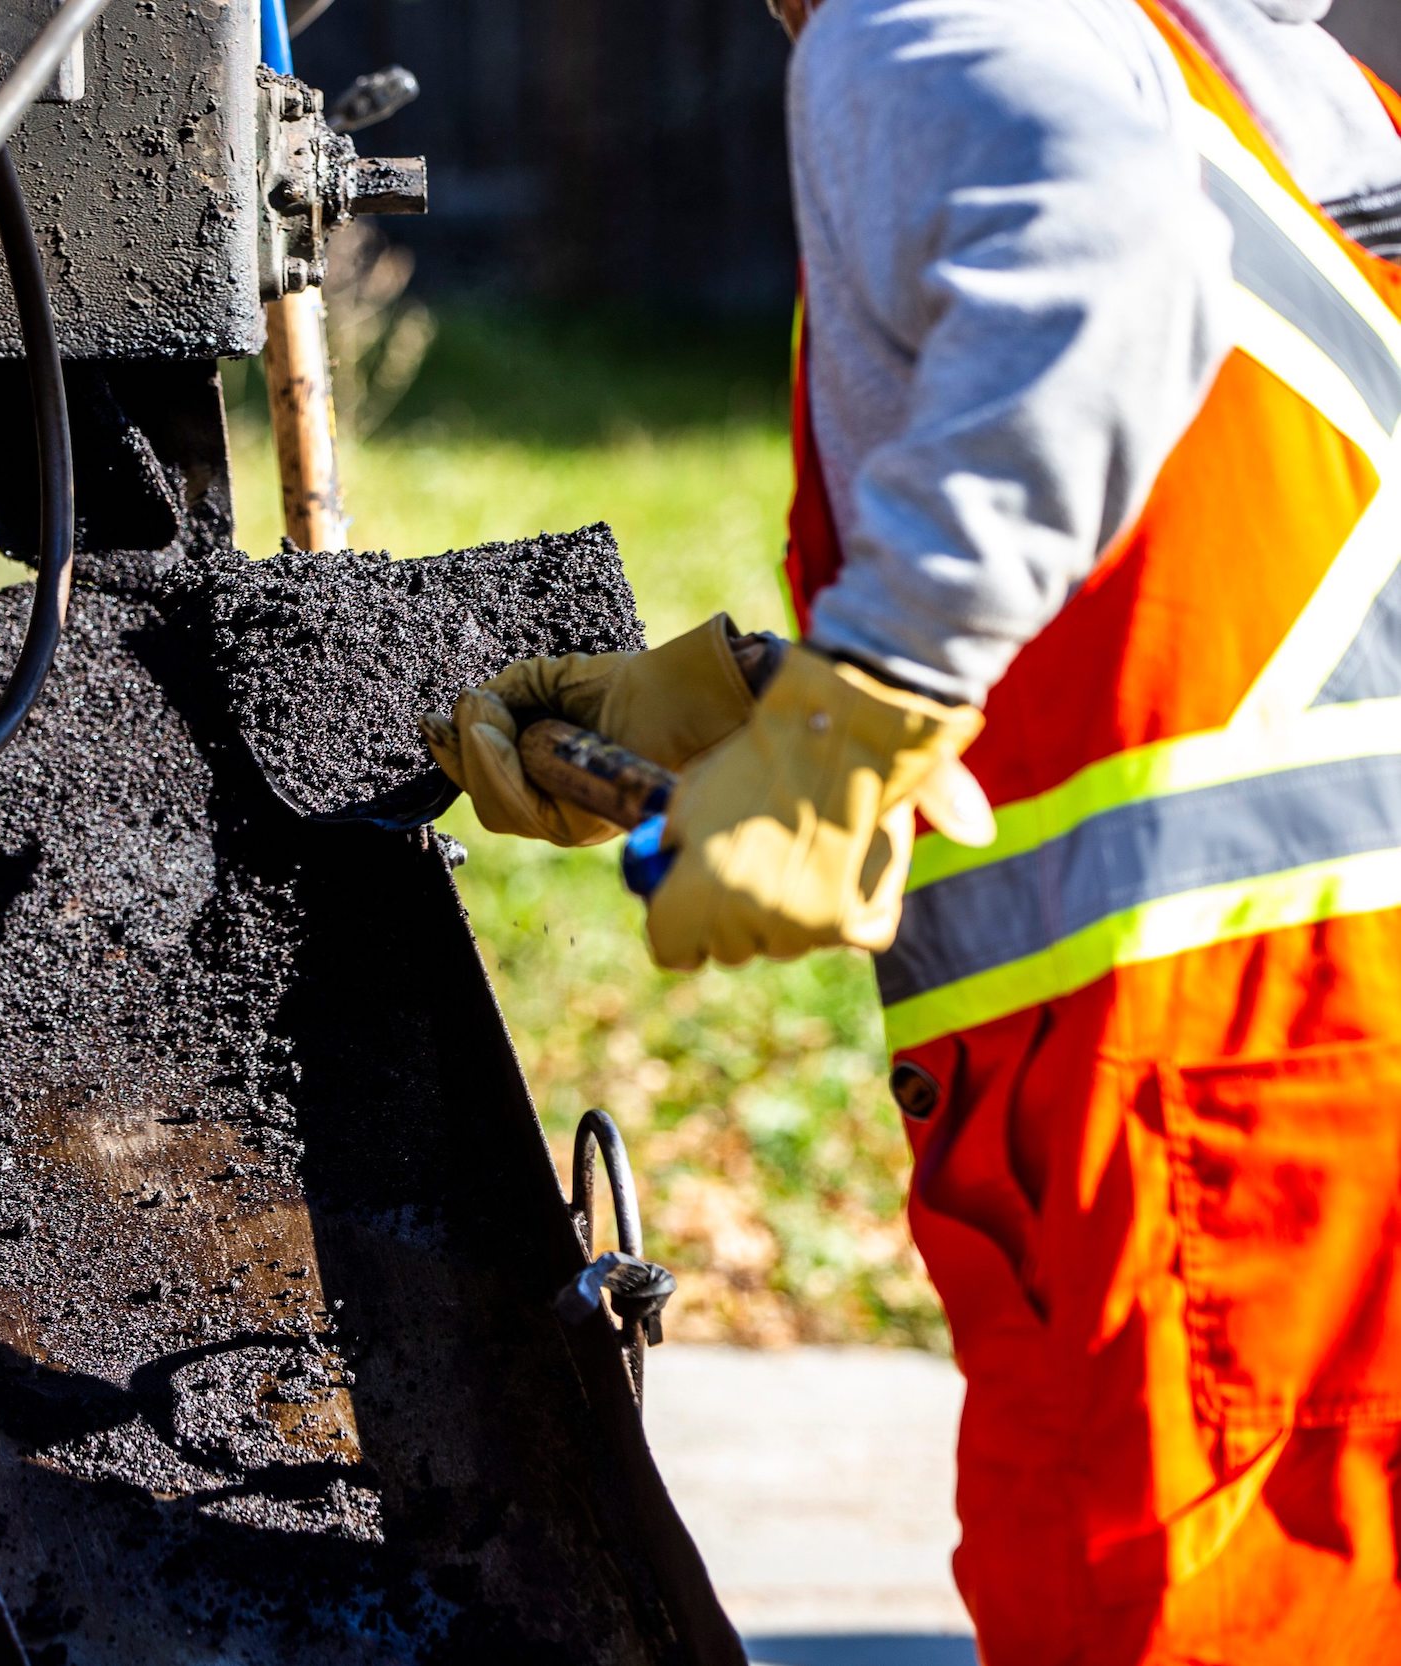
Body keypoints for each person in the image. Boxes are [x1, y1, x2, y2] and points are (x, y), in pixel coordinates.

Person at [424, 1, 1401, 1659]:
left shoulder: (919, 20)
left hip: (1217, 1102)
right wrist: (754, 704)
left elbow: (1099, 262)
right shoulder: (1231, 61)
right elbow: (1215, 520)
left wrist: (863, 706)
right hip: (1307, 1067)